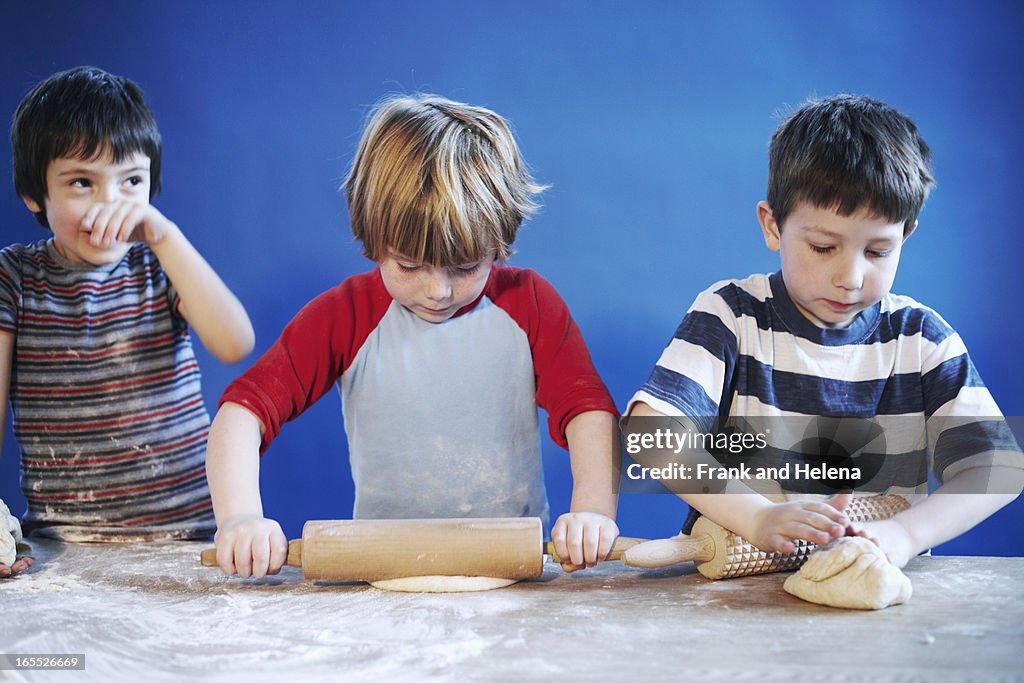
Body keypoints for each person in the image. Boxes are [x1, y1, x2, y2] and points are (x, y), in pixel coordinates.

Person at [207, 94, 619, 579]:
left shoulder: (528, 305)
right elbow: (243, 413)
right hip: (385, 571)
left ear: (499, 244)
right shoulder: (347, 315)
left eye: (466, 268)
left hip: (510, 570)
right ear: (373, 238)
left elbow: (590, 413)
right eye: (409, 265)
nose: (438, 291)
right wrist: (240, 518)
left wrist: (593, 511)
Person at [628, 94, 1023, 566]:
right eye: (822, 246)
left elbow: (998, 467)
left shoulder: (920, 340)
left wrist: (903, 534)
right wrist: (756, 517)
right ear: (772, 226)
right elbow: (650, 434)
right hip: (735, 599)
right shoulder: (732, 317)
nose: (851, 277)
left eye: (877, 252)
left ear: (907, 236)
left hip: (867, 590)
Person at [0, 66, 255, 577]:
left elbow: (234, 343)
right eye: (80, 182)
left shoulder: (162, 264)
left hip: (190, 540)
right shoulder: (14, 278)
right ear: (34, 194)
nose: (109, 204)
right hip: (64, 550)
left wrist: (165, 237)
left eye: (131, 181)